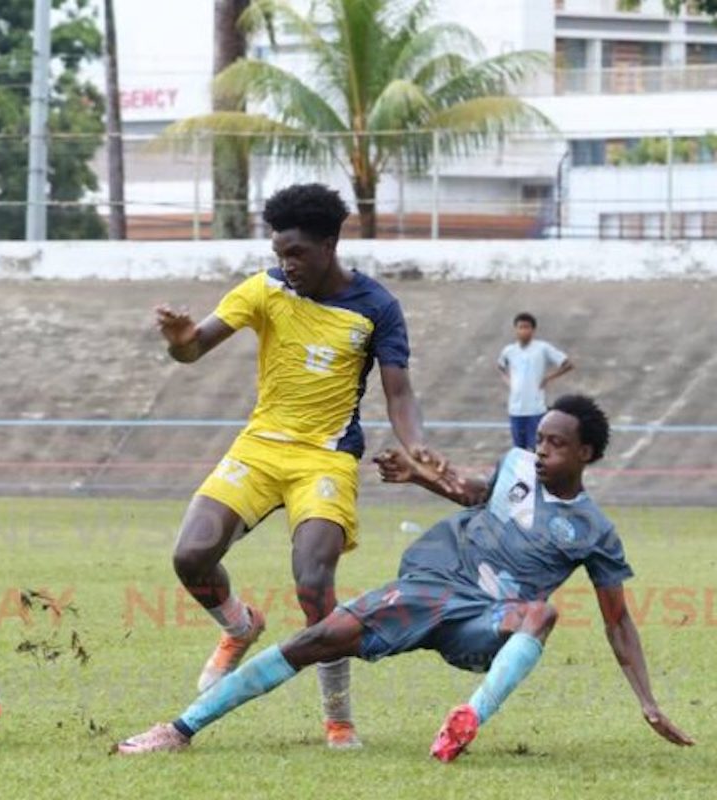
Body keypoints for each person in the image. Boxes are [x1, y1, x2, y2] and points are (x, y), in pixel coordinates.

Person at [116, 395, 694, 762]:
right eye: (539, 439)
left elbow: (617, 622)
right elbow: (470, 492)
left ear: (586, 453)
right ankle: (181, 728)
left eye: (555, 443)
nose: (540, 451)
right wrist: (418, 477)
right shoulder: (515, 466)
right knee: (317, 639)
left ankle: (466, 721)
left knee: (541, 614)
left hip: (487, 621)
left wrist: (647, 701)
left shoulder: (595, 529)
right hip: (431, 586)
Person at [153, 183, 444, 749]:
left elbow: (400, 392)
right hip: (260, 448)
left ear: (330, 244)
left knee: (314, 581)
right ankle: (239, 625)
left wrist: (417, 446)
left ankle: (338, 717)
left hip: (325, 460)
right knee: (191, 556)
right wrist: (179, 340)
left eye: (297, 254)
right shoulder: (265, 290)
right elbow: (194, 347)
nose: (286, 264)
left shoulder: (376, 308)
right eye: (279, 253)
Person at [498, 312, 573, 450]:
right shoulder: (509, 351)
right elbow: (501, 367)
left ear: (533, 330)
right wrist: (509, 382)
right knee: (518, 449)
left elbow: (567, 364)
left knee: (535, 448)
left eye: (527, 327)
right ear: (516, 329)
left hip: (535, 408)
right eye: (520, 327)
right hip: (516, 408)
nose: (523, 331)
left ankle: (535, 472)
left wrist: (548, 378)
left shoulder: (542, 348)